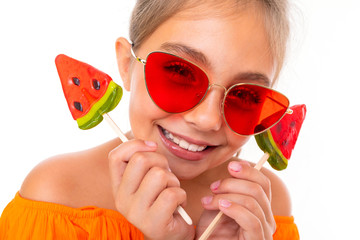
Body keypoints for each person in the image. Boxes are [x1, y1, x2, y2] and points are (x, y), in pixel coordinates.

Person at [0, 0, 300, 239]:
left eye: (246, 96)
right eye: (179, 72)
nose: (208, 119)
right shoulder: (56, 196)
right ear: (127, 64)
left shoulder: (267, 209)